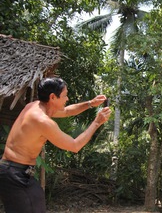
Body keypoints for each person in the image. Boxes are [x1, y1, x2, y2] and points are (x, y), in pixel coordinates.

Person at [0, 77, 112, 212]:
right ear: (53, 97)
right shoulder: (42, 121)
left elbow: (67, 111)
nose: (67, 99)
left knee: (37, 200)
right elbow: (75, 145)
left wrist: (90, 103)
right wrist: (96, 123)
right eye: (64, 95)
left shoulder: (35, 106)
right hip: (14, 174)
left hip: (16, 172)